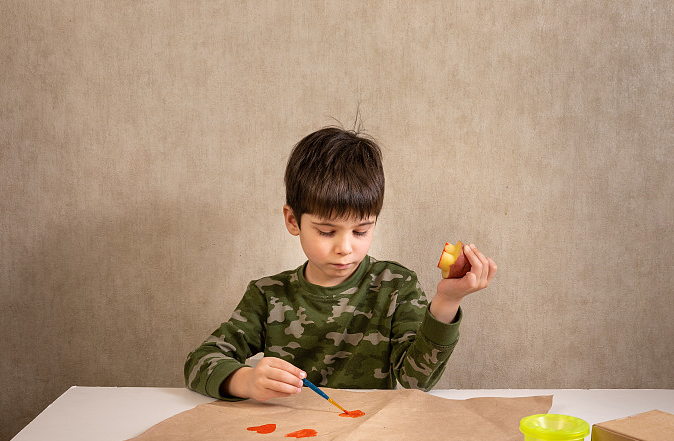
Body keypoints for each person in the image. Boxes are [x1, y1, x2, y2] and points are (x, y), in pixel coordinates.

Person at [184, 126, 496, 401]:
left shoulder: (397, 286)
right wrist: (247, 381)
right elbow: (200, 361)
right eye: (326, 231)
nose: (344, 248)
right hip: (289, 438)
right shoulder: (268, 295)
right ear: (293, 220)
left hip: (368, 440)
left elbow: (416, 381)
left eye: (361, 230)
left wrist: (447, 300)